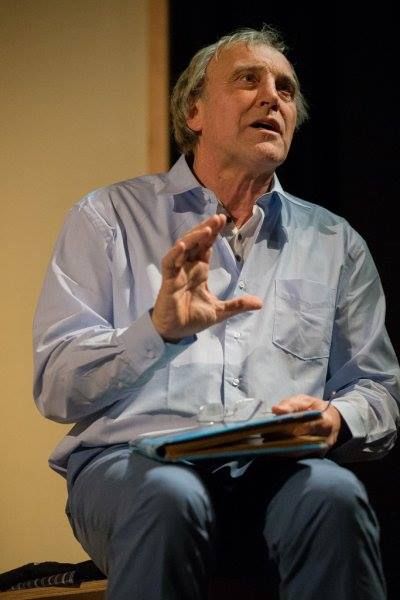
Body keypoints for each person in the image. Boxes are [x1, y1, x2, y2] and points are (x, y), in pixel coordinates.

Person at [33, 26, 400, 600]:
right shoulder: (107, 218)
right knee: (170, 498)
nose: (272, 97)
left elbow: (377, 389)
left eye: (286, 89)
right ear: (194, 111)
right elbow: (57, 387)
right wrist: (156, 331)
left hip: (275, 470)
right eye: (249, 79)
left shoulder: (336, 242)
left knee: (334, 496)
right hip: (130, 467)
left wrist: (336, 418)